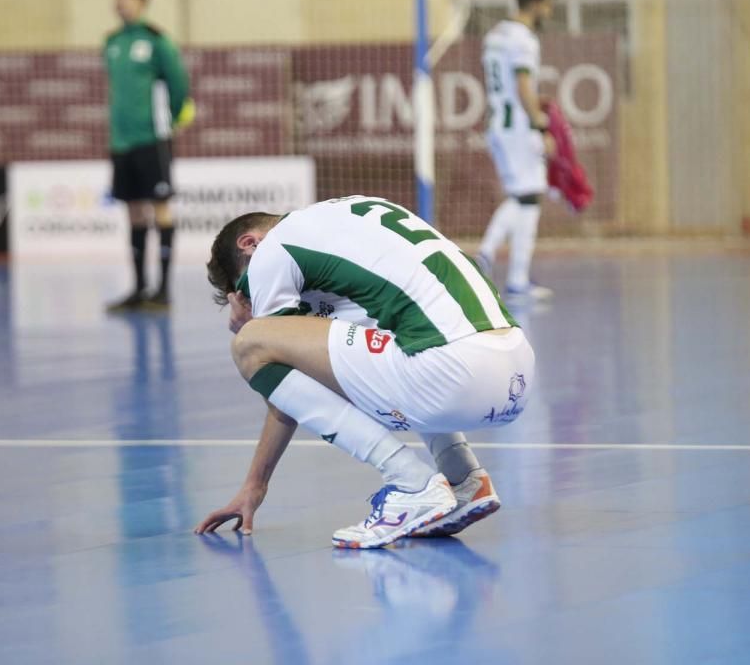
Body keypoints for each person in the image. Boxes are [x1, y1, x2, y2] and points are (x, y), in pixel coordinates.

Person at [194, 196, 536, 549]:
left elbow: (281, 376)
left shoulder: (272, 250)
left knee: (250, 343)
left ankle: (410, 483)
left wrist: (251, 326)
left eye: (247, 290)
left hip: (453, 376)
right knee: (396, 337)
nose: (252, 300)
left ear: (250, 244)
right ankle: (464, 478)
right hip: (515, 371)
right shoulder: (349, 219)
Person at [103, 0, 193, 312]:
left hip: (151, 140)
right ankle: (139, 288)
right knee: (133, 212)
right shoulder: (111, 42)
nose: (119, 1)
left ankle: (163, 291)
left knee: (160, 208)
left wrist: (168, 119)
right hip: (121, 142)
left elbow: (179, 84)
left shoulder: (157, 41)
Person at [476, 0, 556, 300]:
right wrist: (539, 125)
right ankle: (487, 254)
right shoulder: (524, 40)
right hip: (517, 127)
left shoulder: (495, 35)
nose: (549, 13)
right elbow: (523, 86)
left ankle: (515, 277)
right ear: (535, 4)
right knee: (526, 198)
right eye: (548, 5)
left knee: (527, 197)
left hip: (500, 122)